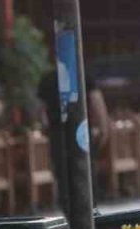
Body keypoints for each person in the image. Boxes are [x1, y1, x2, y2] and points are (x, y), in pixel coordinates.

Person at [37, 67, 111, 215]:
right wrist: (103, 127)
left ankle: (70, 214)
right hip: (81, 131)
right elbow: (97, 102)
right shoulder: (82, 75)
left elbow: (40, 109)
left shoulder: (48, 79)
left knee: (63, 175)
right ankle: (92, 213)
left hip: (57, 132)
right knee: (85, 172)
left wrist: (45, 126)